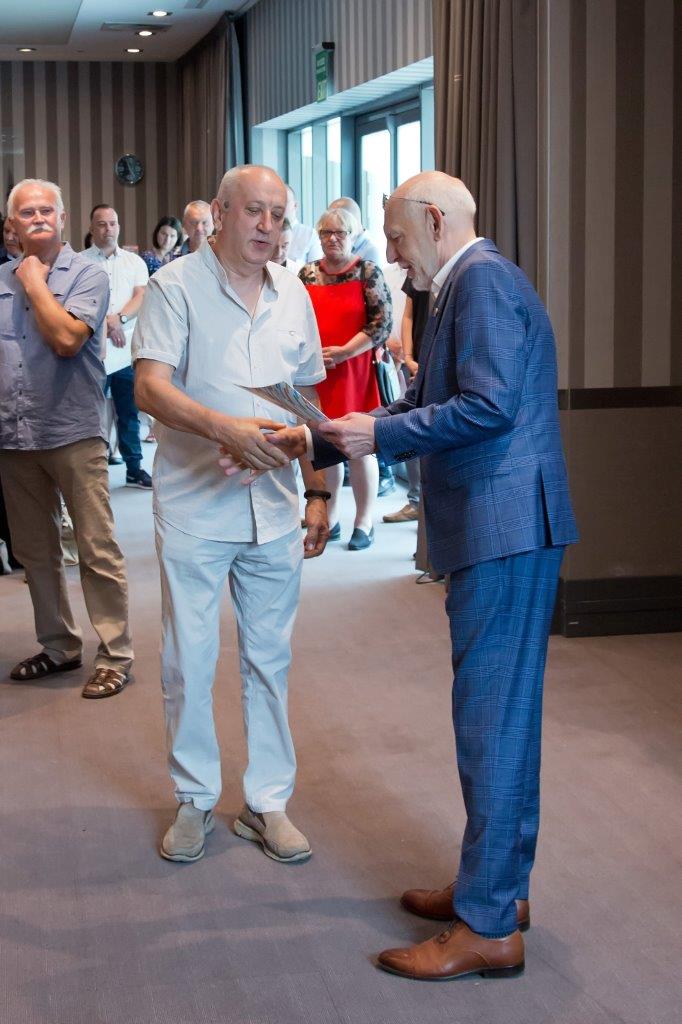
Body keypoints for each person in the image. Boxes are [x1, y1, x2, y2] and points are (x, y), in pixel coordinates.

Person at [247, 170, 578, 979]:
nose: (390, 257)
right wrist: (321, 438)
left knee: (492, 723)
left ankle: (488, 924)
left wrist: (378, 437)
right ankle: (496, 888)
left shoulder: (482, 282)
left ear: (433, 221)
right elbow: (429, 401)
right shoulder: (468, 283)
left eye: (396, 238)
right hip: (502, 525)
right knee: (500, 721)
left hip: (504, 527)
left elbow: (489, 408)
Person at [132, 163, 330, 866]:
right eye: (254, 211)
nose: (267, 227)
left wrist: (319, 491)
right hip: (194, 507)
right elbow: (149, 389)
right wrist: (225, 430)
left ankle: (267, 803)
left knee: (270, 661)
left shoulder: (294, 293)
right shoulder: (174, 286)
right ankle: (194, 798)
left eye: (279, 215)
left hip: (274, 511)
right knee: (189, 660)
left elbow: (308, 398)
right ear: (220, 213)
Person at [0, 178, 134, 699]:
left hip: (73, 432)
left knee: (97, 548)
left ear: (61, 218)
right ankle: (59, 646)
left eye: (45, 211)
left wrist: (33, 281)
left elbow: (65, 339)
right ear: (11, 224)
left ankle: (115, 654)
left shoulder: (88, 275)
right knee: (36, 553)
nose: (37, 218)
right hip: (15, 436)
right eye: (26, 212)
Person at [298, 205, 392, 550]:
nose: (332, 239)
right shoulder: (307, 273)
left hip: (354, 372)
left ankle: (364, 521)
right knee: (325, 444)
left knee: (360, 447)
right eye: (326, 232)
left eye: (340, 233)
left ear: (353, 236)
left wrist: (344, 353)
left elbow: (382, 323)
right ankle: (332, 515)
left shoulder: (367, 271)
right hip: (317, 372)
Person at [83, 205, 151, 488]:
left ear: (119, 226)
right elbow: (79, 303)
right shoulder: (80, 262)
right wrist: (106, 324)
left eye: (112, 223)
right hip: (91, 353)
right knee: (91, 416)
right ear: (92, 228)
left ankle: (134, 468)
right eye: (101, 224)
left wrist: (119, 319)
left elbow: (141, 295)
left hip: (125, 352)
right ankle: (90, 473)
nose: (107, 229)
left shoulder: (134, 262)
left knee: (129, 413)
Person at [382, 277, 430, 524]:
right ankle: (415, 500)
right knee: (409, 428)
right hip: (412, 363)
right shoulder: (417, 275)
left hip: (435, 365)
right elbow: (408, 315)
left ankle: (426, 507)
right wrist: (409, 358)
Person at [328, 196, 383, 265]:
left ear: (352, 221)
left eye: (337, 221)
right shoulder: (337, 243)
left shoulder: (371, 251)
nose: (332, 237)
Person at [284, 185, 322, 263]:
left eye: (284, 201)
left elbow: (315, 268)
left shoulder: (310, 234)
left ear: (295, 206)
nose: (279, 206)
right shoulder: (266, 233)